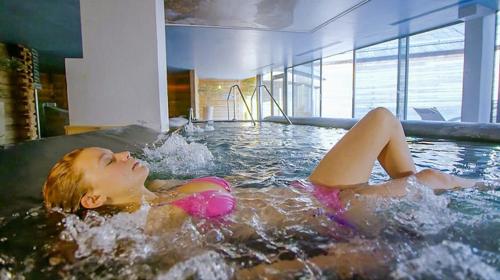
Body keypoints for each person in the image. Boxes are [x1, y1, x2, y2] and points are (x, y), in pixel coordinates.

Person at [42, 107, 477, 276]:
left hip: (311, 189)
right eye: (106, 162)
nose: (120, 156)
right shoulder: (151, 224)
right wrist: (326, 264)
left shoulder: (158, 190)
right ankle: (468, 190)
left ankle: (411, 212)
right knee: (432, 180)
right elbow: (222, 274)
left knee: (383, 120)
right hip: (330, 213)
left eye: (112, 152)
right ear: (92, 199)